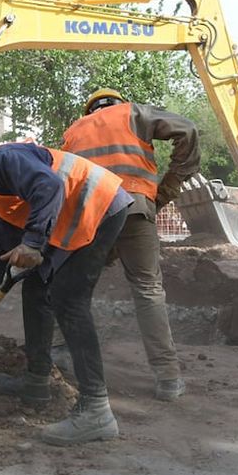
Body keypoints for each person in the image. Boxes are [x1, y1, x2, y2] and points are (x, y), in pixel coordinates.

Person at [0, 138, 132, 446]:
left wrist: (32, 242)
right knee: (36, 291)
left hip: (98, 204)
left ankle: (97, 411)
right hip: (72, 220)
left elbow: (50, 186)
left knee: (68, 299)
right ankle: (36, 382)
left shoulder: (3, 161)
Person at [59, 88, 200, 401]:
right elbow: (187, 130)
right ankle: (168, 379)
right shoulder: (133, 113)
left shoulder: (74, 131)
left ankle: (58, 354)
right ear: (117, 102)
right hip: (134, 207)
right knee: (147, 289)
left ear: (90, 109)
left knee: (71, 288)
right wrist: (174, 181)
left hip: (91, 215)